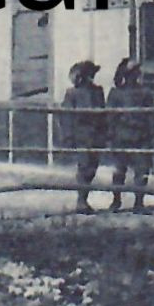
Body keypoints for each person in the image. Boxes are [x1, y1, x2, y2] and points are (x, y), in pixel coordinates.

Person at [107, 59, 154, 213]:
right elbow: (110, 117)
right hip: (121, 136)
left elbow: (151, 116)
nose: (136, 75)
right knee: (119, 171)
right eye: (132, 72)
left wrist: (153, 135)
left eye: (137, 72)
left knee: (142, 170)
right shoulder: (116, 93)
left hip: (141, 137)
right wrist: (111, 135)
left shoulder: (145, 93)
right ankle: (116, 201)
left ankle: (139, 203)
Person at [64, 61, 108, 214]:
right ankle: (81, 201)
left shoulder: (98, 91)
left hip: (96, 134)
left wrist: (104, 132)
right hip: (81, 134)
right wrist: (68, 136)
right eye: (89, 75)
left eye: (93, 75)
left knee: (92, 167)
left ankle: (84, 198)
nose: (91, 78)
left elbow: (103, 112)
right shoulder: (72, 93)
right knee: (84, 166)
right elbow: (67, 116)